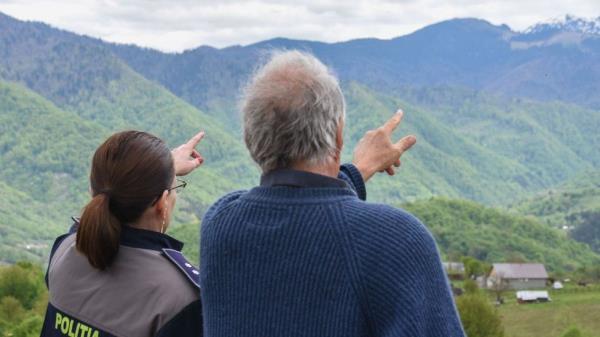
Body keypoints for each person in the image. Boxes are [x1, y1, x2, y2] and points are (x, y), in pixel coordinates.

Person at [200, 51, 465, 337]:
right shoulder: (397, 240)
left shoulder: (220, 223)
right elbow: (326, 216)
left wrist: (359, 169)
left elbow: (304, 206)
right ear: (338, 135)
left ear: (249, 138)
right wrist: (357, 168)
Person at [41, 130, 205, 337]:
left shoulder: (65, 250)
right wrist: (163, 171)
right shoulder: (181, 297)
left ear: (93, 192)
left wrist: (163, 170)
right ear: (162, 203)